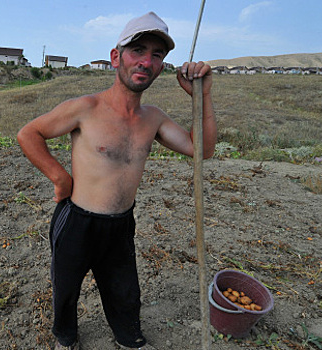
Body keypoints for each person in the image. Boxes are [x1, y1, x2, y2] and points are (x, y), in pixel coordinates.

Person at [17, 11, 217, 350]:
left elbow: (202, 149)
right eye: (138, 50)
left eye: (157, 55)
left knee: (124, 290)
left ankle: (129, 339)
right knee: (65, 287)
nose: (146, 61)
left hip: (121, 224)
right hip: (77, 221)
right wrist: (60, 178)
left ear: (162, 66)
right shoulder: (86, 108)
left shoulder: (152, 118)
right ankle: (66, 338)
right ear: (116, 57)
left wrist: (203, 95)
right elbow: (29, 133)